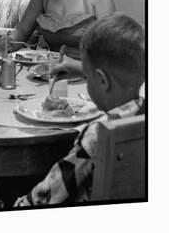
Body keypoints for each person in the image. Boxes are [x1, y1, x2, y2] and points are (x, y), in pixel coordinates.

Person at [13, 13, 145, 206]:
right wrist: (86, 70)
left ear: (102, 80)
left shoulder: (96, 135)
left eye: (88, 77)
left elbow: (44, 197)